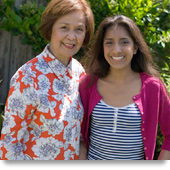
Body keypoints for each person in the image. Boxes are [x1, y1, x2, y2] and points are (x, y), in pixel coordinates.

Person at [0, 0, 94, 160]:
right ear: (50, 29)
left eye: (79, 29)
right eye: (64, 27)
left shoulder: (79, 72)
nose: (72, 36)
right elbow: (9, 145)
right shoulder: (28, 77)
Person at [79, 15, 170, 160]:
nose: (116, 50)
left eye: (124, 42)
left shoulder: (153, 87)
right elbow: (78, 135)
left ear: (135, 48)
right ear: (102, 48)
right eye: (109, 42)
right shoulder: (88, 84)